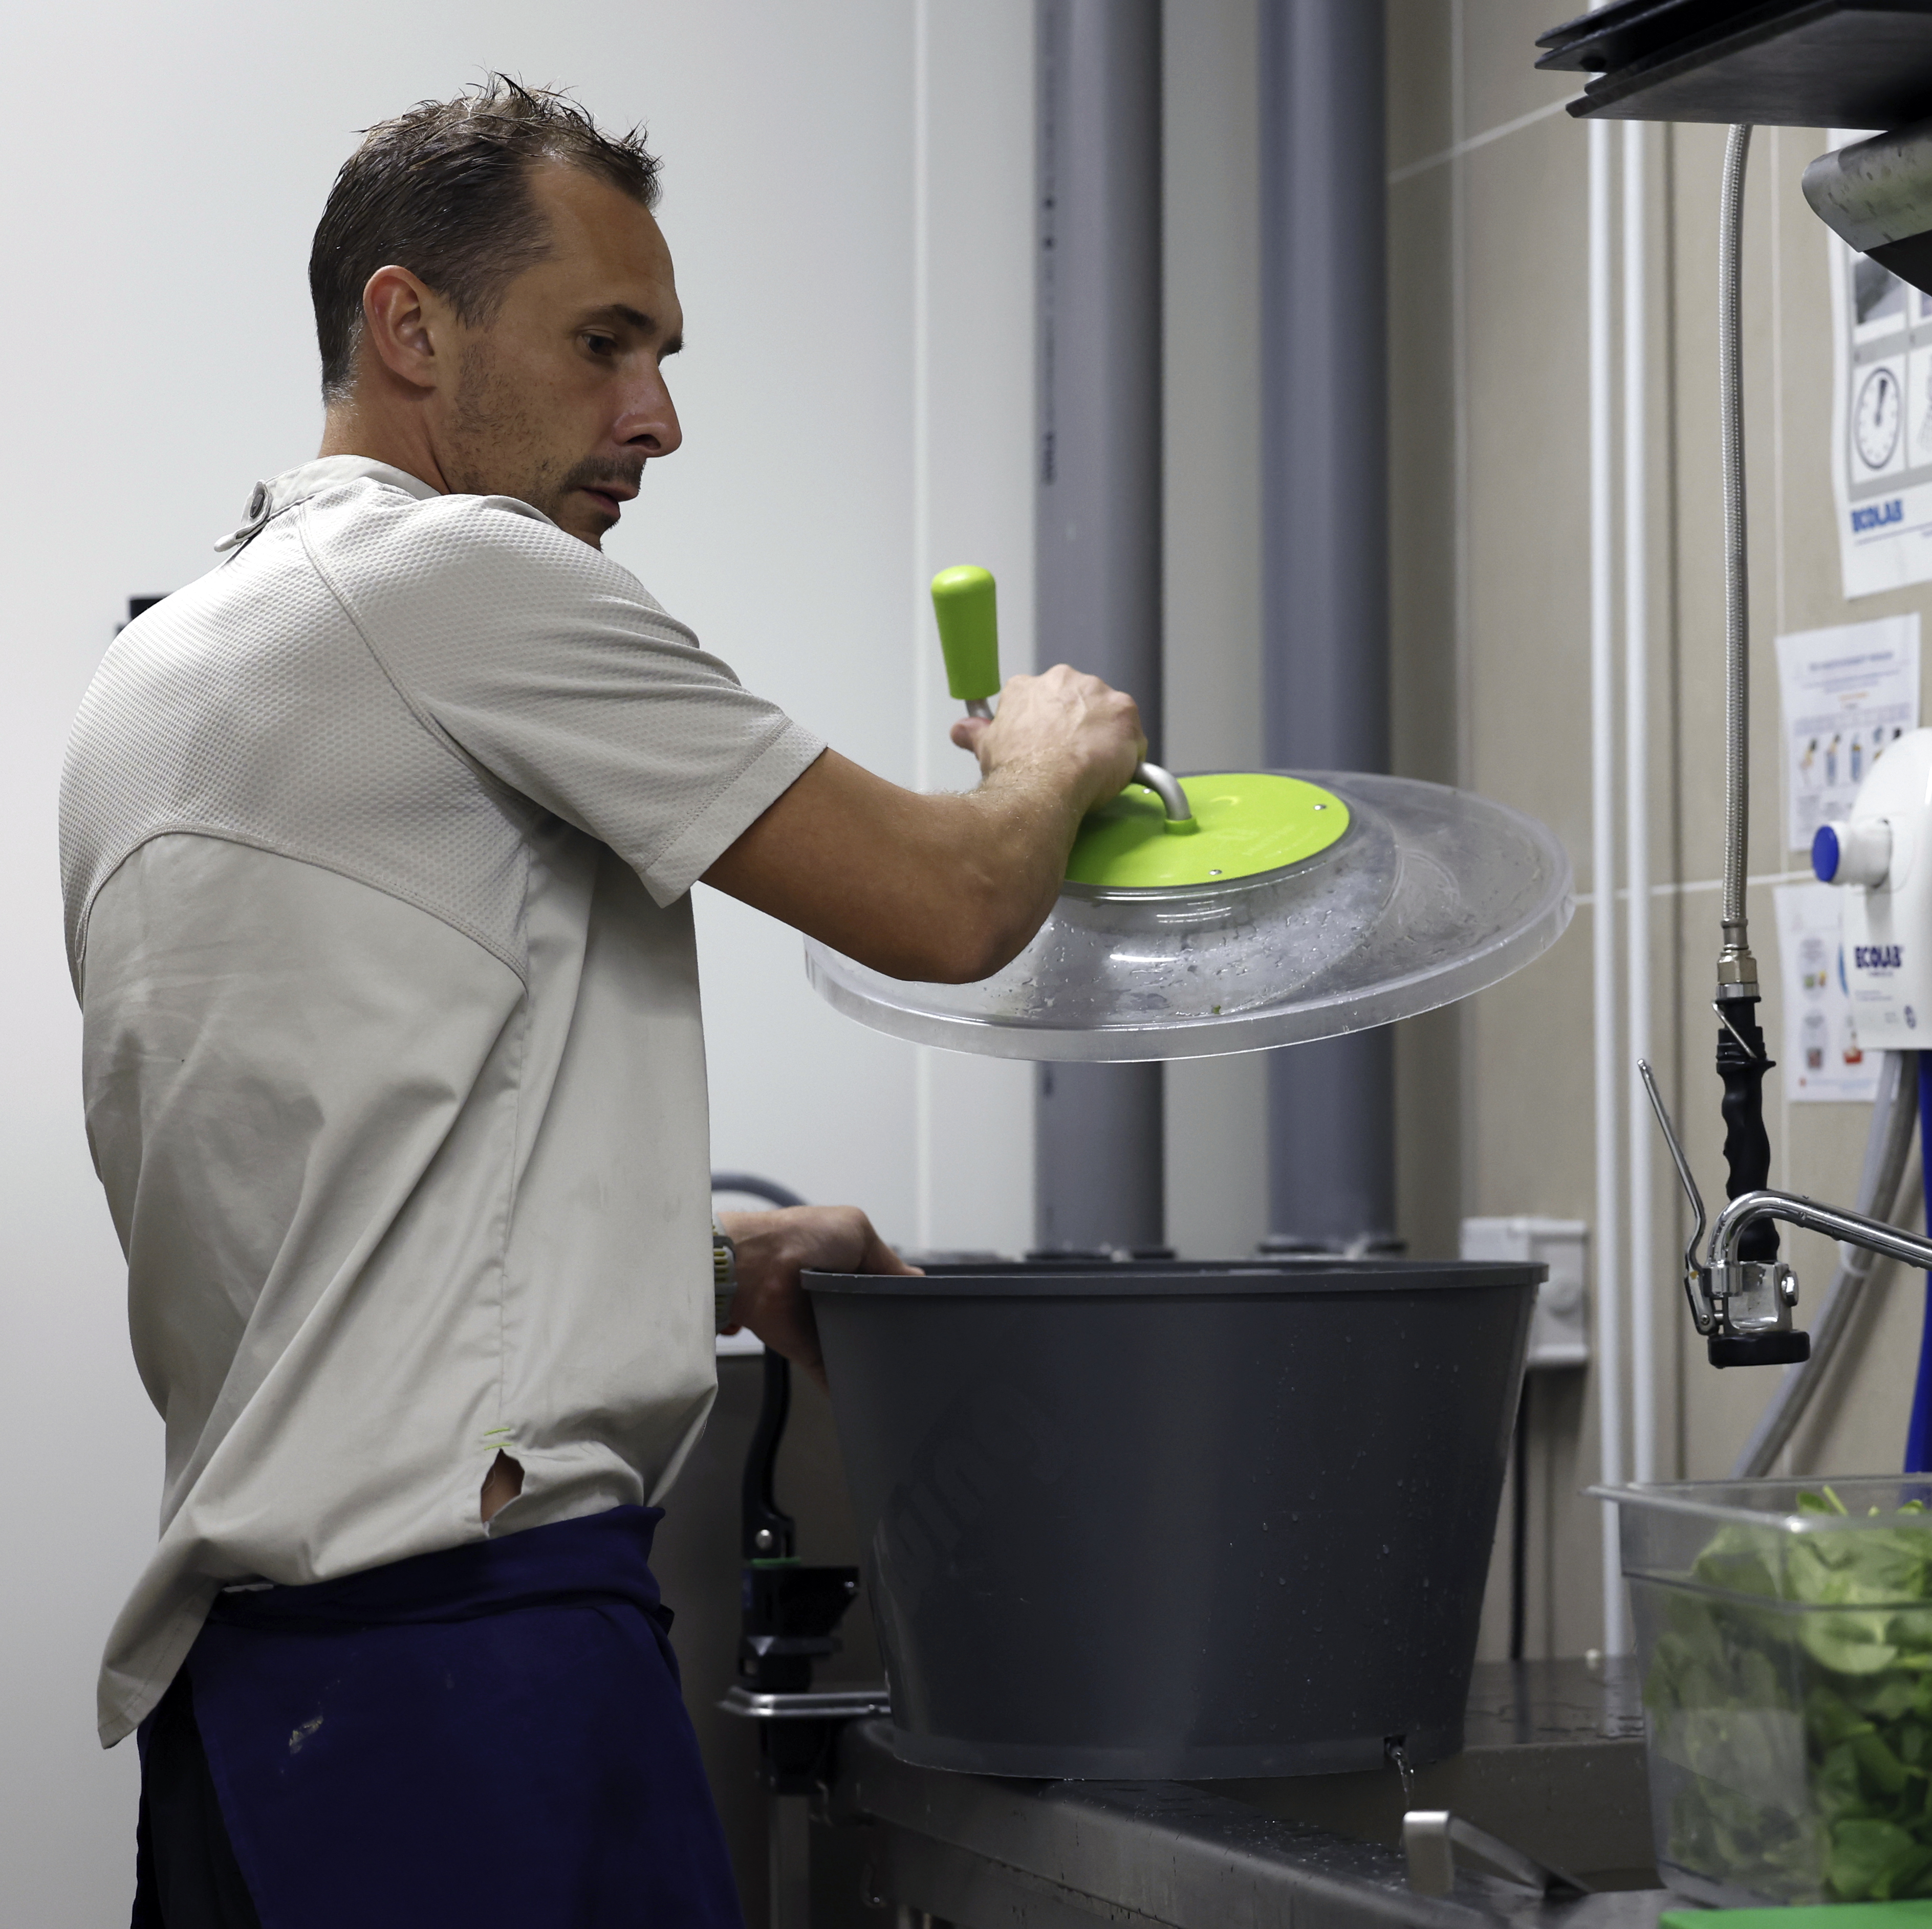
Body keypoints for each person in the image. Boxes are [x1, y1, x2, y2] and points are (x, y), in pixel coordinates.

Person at [58, 79, 1144, 1926]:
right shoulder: (457, 576)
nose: (658, 416)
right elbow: (952, 906)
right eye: (603, 342)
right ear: (411, 326)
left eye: (661, 350)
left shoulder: (163, 669)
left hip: (252, 1717)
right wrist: (1048, 762)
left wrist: (706, 1263)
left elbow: (348, 1209)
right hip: (466, 1686)